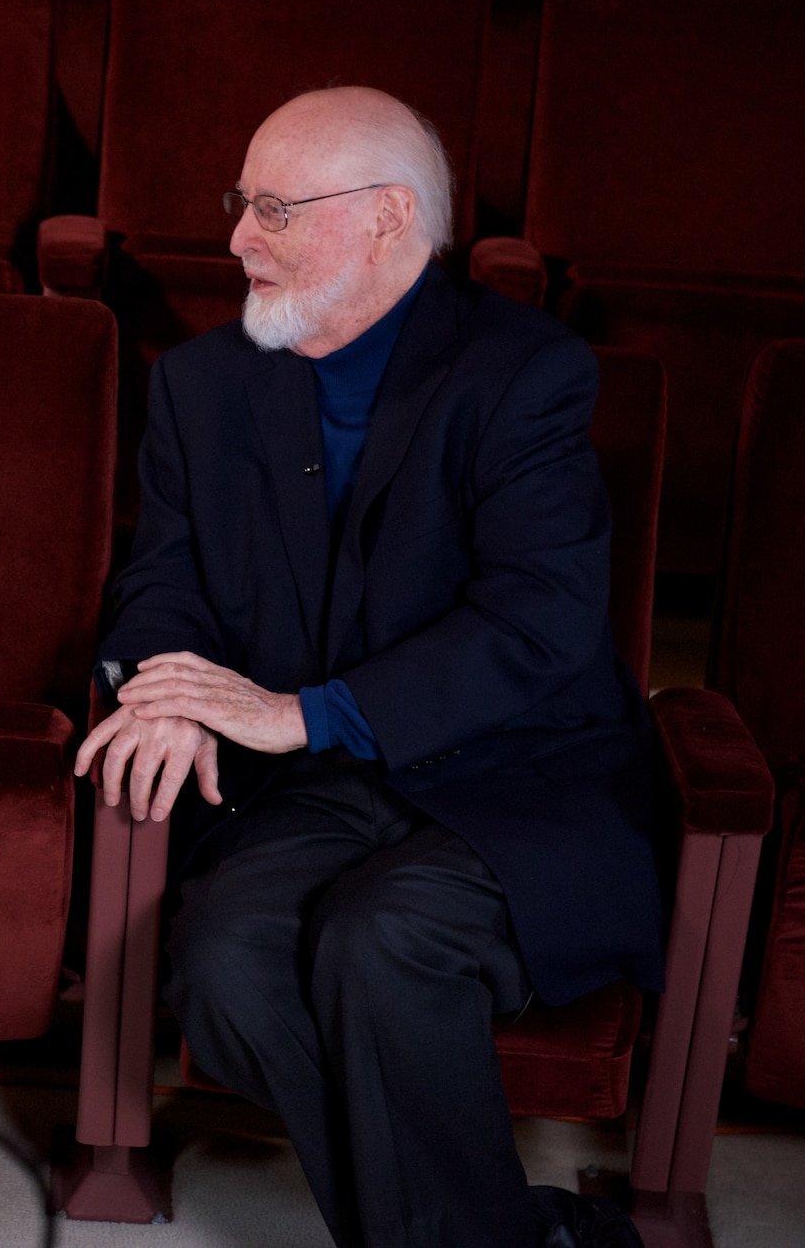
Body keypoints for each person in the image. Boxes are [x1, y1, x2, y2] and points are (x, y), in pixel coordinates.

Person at [75, 87, 660, 1248]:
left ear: (389, 217)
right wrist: (168, 689)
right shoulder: (202, 385)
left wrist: (309, 710)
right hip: (316, 792)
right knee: (229, 970)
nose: (238, 237)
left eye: (275, 209)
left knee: (378, 941)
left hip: (516, 778)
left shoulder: (524, 373)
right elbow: (162, 583)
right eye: (240, 203)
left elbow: (539, 619)